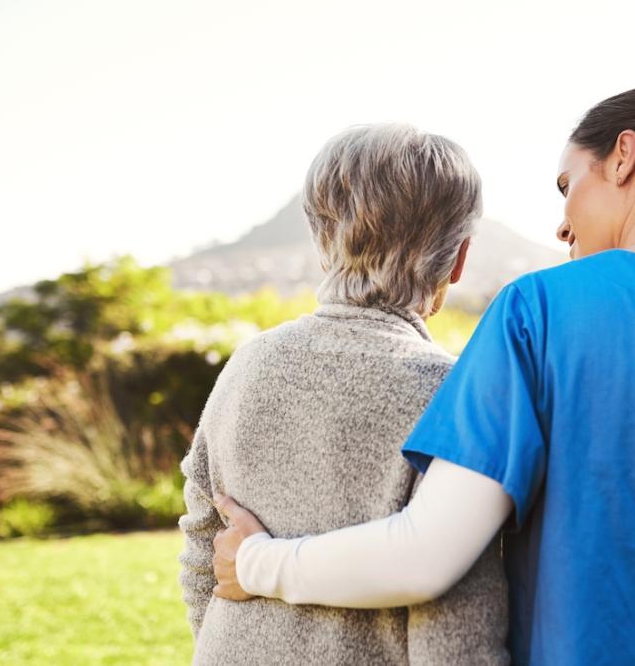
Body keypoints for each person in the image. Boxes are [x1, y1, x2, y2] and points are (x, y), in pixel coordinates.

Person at [211, 88, 635, 665]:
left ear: (625, 155)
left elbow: (427, 554)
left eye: (567, 185)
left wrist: (258, 563)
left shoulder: (539, 313)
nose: (562, 223)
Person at [178, 123, 510, 665]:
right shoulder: (453, 395)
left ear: (319, 239)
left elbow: (203, 555)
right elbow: (457, 623)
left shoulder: (246, 367)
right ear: (459, 258)